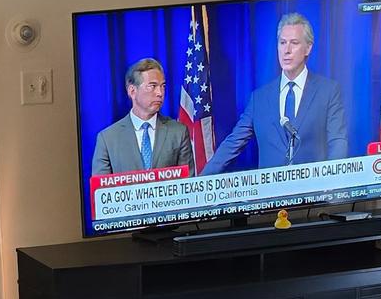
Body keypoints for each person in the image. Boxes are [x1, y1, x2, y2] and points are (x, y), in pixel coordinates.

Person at [202, 12, 348, 172]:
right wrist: (199, 184)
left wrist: (332, 184)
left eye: (294, 43)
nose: (287, 50)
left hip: (313, 193)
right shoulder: (260, 98)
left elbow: (338, 142)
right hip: (272, 193)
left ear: (308, 48)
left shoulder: (328, 91)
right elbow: (233, 143)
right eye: (282, 42)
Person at [90, 59, 195, 178]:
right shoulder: (108, 139)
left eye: (163, 86)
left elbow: (187, 187)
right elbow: (101, 192)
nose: (160, 93)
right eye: (152, 86)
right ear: (132, 91)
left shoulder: (178, 132)